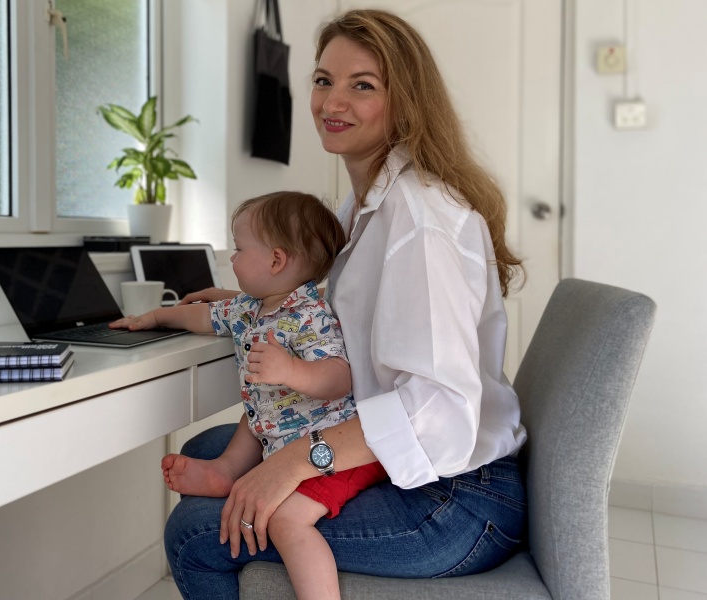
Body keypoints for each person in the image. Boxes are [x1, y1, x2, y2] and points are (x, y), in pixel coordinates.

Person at [161, 8, 530, 600]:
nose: (332, 102)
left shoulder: (420, 221)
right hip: (415, 469)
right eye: (323, 80)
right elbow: (334, 318)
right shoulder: (358, 209)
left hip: (456, 499)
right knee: (207, 455)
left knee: (194, 532)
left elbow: (439, 410)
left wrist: (298, 460)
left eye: (362, 86)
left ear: (405, 103)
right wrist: (247, 300)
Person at [111, 191, 387, 600]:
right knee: (256, 414)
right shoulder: (248, 309)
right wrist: (152, 317)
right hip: (283, 433)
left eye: (239, 249)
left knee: (287, 521)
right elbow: (201, 315)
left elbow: (338, 377)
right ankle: (226, 470)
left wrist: (291, 370)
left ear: (275, 261)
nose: (233, 257)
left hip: (336, 454)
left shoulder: (309, 316)